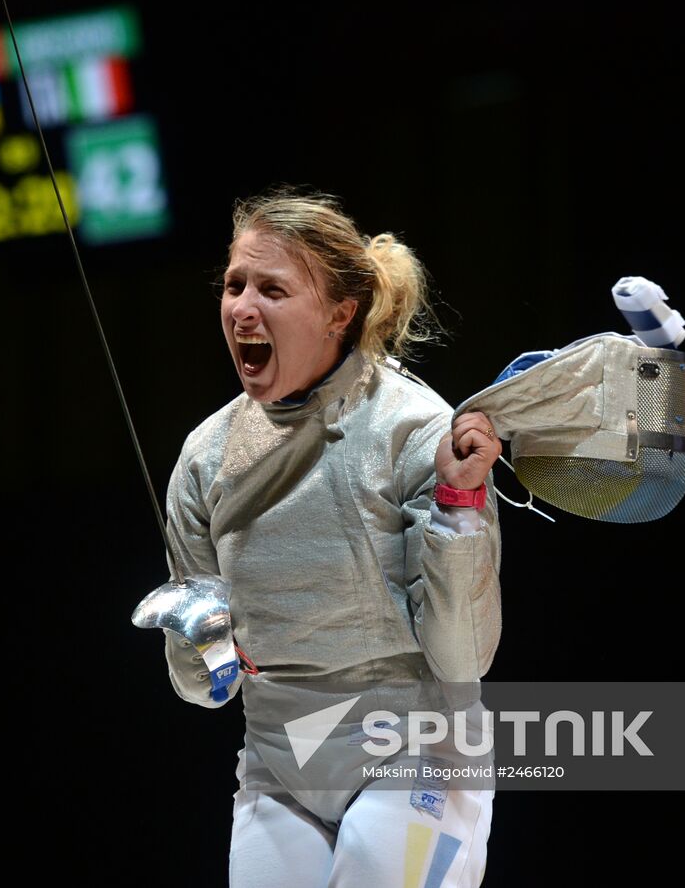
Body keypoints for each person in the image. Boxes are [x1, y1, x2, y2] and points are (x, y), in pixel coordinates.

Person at [160, 188, 503, 887]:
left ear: (339, 314)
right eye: (234, 285)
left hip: (416, 748)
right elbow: (205, 691)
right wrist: (198, 638)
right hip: (279, 761)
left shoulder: (415, 429)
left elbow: (463, 656)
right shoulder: (205, 457)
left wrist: (460, 506)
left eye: (273, 289)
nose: (243, 308)